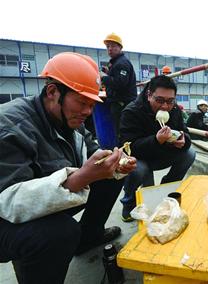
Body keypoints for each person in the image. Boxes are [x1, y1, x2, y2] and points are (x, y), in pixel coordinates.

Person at [0, 52, 137, 283]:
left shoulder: (70, 120)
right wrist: (80, 178)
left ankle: (88, 238)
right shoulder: (11, 126)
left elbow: (95, 154)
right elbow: (9, 201)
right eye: (82, 103)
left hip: (42, 202)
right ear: (53, 92)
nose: (88, 112)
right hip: (7, 215)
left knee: (111, 176)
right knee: (58, 234)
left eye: (92, 104)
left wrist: (116, 164)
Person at [119, 75, 195, 221]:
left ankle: (166, 192)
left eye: (170, 101)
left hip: (162, 155)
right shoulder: (132, 112)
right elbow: (129, 147)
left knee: (190, 153)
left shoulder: (174, 110)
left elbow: (185, 132)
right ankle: (128, 202)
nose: (165, 106)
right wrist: (156, 140)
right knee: (137, 168)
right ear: (149, 95)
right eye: (159, 100)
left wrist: (182, 140)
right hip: (140, 157)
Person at [100, 33, 138, 141]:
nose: (110, 49)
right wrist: (109, 73)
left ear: (120, 47)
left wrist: (104, 77)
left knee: (122, 132)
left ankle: (124, 154)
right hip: (119, 103)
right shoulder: (116, 62)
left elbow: (120, 84)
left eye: (113, 46)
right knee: (120, 131)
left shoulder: (122, 63)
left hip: (122, 104)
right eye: (108, 46)